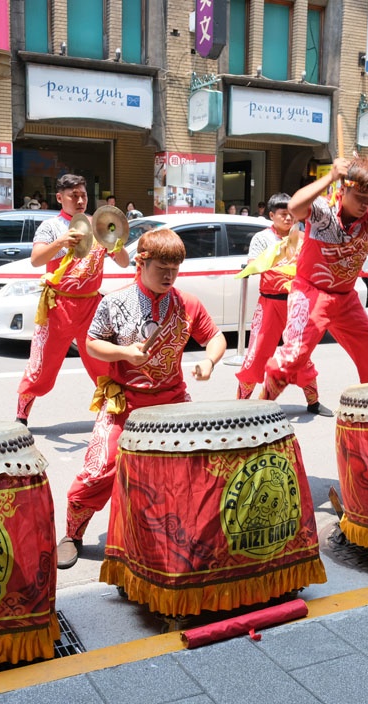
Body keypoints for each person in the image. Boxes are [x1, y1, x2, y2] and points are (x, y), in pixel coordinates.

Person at [57, 228, 226, 568]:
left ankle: (186, 532)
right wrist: (123, 352)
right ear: (140, 262)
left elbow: (216, 336)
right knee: (99, 470)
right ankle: (73, 533)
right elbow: (91, 343)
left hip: (172, 402)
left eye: (175, 269)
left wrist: (209, 360)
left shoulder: (186, 303)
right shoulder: (115, 301)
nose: (169, 276)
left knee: (198, 467)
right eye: (162, 267)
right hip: (125, 402)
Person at [260, 156, 368, 406]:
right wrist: (329, 177)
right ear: (345, 188)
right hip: (311, 292)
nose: (366, 204)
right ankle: (263, 405)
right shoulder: (323, 211)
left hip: (346, 298)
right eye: (361, 198)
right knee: (294, 356)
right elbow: (294, 207)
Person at [15, 174, 130, 425]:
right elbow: (36, 260)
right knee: (42, 364)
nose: (80, 200)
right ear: (59, 198)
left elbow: (124, 262)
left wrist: (114, 240)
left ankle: (112, 412)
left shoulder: (99, 224)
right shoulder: (51, 227)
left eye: (83, 195)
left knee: (102, 362)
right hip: (58, 305)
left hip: (91, 305)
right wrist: (60, 242)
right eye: (73, 195)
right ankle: (21, 415)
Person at [235, 193, 329, 414]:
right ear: (271, 215)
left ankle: (313, 401)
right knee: (256, 353)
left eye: (291, 214)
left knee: (299, 354)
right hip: (269, 303)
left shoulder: (305, 238)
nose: (288, 219)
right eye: (282, 214)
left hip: (297, 305)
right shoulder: (261, 238)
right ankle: (240, 403)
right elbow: (255, 267)